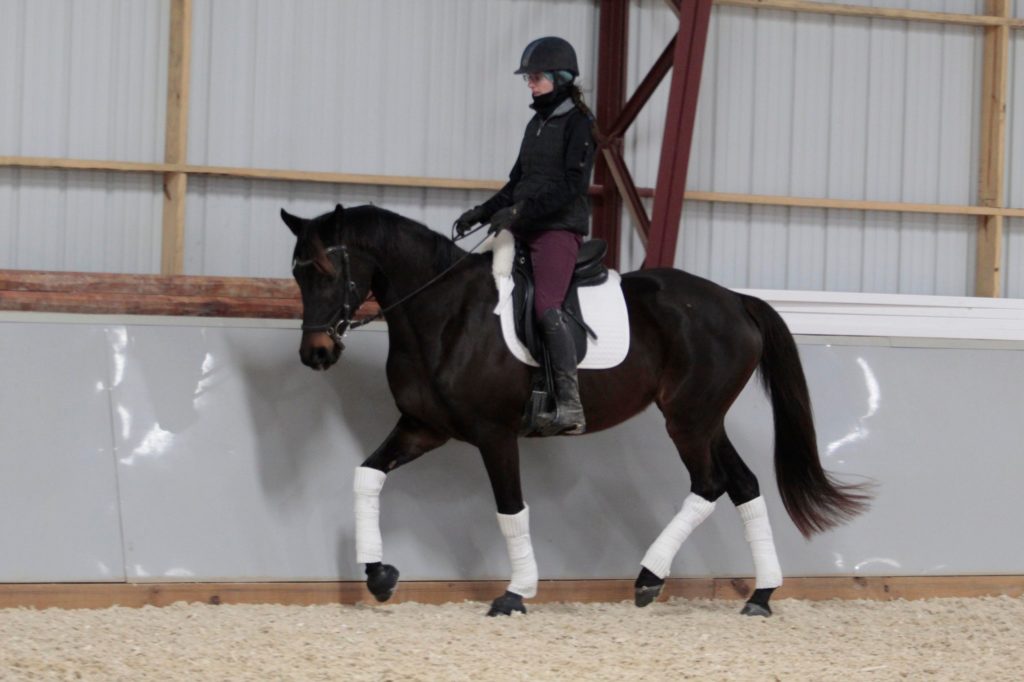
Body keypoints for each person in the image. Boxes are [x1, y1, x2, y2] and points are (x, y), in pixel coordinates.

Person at [453, 36, 596, 435]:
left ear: (560, 78)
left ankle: (570, 403)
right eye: (529, 78)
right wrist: (483, 211)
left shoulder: (580, 124)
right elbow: (518, 181)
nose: (529, 85)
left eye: (535, 78)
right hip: (523, 224)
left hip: (556, 229)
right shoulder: (537, 123)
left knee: (545, 306)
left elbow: (572, 185)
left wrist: (521, 211)